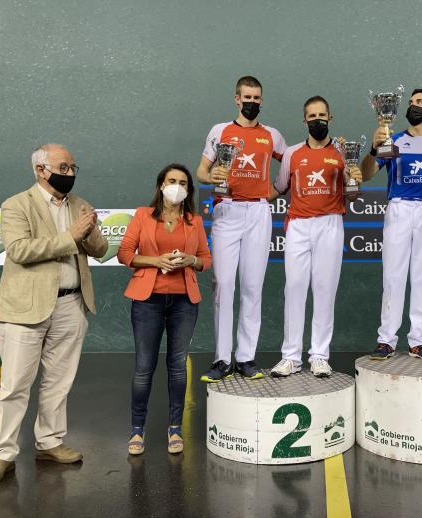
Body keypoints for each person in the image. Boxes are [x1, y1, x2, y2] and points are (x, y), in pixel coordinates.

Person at [0, 144, 108, 484]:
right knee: (15, 385)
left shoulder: (79, 206)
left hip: (71, 304)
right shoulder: (16, 205)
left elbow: (101, 249)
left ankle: (49, 442)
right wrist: (71, 236)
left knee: (58, 382)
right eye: (63, 166)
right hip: (24, 309)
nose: (71, 173)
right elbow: (20, 250)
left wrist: (90, 230)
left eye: (73, 166)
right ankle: (2, 454)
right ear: (40, 170)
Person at [196, 76, 287, 382]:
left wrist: (269, 194)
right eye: (246, 97)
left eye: (256, 98)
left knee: (252, 286)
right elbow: (201, 171)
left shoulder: (272, 135)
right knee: (223, 285)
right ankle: (222, 359)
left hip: (259, 213)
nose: (251, 102)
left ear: (261, 101)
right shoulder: (219, 131)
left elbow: (289, 167)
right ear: (237, 99)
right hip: (227, 210)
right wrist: (214, 177)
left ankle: (246, 357)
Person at [118, 164, 211, 455]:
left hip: (184, 302)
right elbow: (125, 254)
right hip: (148, 301)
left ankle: (174, 428)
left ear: (188, 190)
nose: (177, 186)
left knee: (177, 367)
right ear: (161, 185)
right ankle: (137, 430)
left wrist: (189, 261)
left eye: (183, 182)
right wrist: (156, 261)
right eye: (172, 181)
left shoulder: (194, 221)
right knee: (144, 367)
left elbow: (205, 259)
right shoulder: (142, 215)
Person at [269, 96, 362, 378]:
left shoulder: (343, 152)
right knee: (294, 289)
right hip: (298, 225)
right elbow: (279, 188)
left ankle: (319, 355)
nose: (317, 120)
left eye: (322, 115)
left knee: (324, 290)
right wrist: (242, 198)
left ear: (330, 119)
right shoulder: (292, 154)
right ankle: (290, 357)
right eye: (312, 115)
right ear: (304, 120)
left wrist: (351, 176)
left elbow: (354, 193)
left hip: (330, 224)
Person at [360, 88, 422, 361]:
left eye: (420, 102)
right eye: (410, 102)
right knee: (393, 276)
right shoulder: (392, 140)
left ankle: (419, 340)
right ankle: (386, 339)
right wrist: (374, 148)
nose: (413, 106)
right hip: (398, 207)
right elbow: (365, 174)